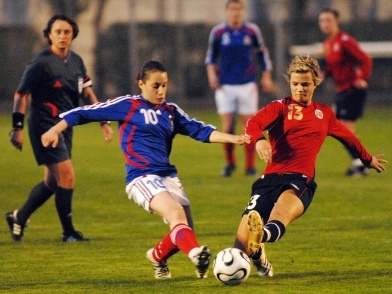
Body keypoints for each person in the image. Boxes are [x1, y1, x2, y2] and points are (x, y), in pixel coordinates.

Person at [41, 60, 250, 279]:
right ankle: (197, 255)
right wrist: (55, 130)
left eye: (165, 85)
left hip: (168, 176)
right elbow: (84, 113)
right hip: (141, 177)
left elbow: (200, 131)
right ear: (141, 84)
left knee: (183, 232)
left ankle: (157, 257)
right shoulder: (128, 105)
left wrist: (234, 138)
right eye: (156, 86)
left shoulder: (170, 111)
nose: (161, 91)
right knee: (176, 216)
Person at [233, 55, 386, 277]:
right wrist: (260, 140)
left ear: (316, 83)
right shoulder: (280, 107)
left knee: (280, 214)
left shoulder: (324, 114)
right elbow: (253, 123)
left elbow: (348, 137)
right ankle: (258, 254)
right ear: (290, 84)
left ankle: (262, 237)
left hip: (299, 180)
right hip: (269, 179)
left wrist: (367, 159)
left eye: (305, 84)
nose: (300, 89)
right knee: (240, 249)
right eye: (295, 84)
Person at [6, 14, 114, 242]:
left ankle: (19, 216)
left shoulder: (76, 61)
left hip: (66, 125)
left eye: (67, 32)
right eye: (58, 32)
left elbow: (87, 93)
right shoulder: (40, 63)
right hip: (44, 125)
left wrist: (103, 120)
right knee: (67, 178)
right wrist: (17, 127)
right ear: (49, 35)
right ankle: (69, 233)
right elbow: (21, 94)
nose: (62, 36)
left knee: (52, 182)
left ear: (73, 35)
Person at [205, 0, 273, 177]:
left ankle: (250, 166)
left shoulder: (251, 30)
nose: (236, 12)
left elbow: (262, 53)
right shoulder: (218, 32)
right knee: (227, 127)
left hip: (247, 84)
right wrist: (212, 75)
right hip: (225, 85)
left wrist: (266, 75)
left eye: (239, 9)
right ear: (227, 11)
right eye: (232, 9)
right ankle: (230, 163)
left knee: (249, 126)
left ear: (243, 11)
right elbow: (211, 58)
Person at [318, 8, 373, 177]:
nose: (325, 24)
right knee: (340, 129)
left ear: (337, 22)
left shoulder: (345, 40)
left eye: (329, 20)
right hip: (342, 89)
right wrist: (323, 75)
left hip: (352, 89)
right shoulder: (328, 43)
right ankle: (360, 163)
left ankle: (361, 164)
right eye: (322, 21)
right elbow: (333, 66)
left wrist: (363, 78)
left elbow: (365, 59)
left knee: (344, 129)